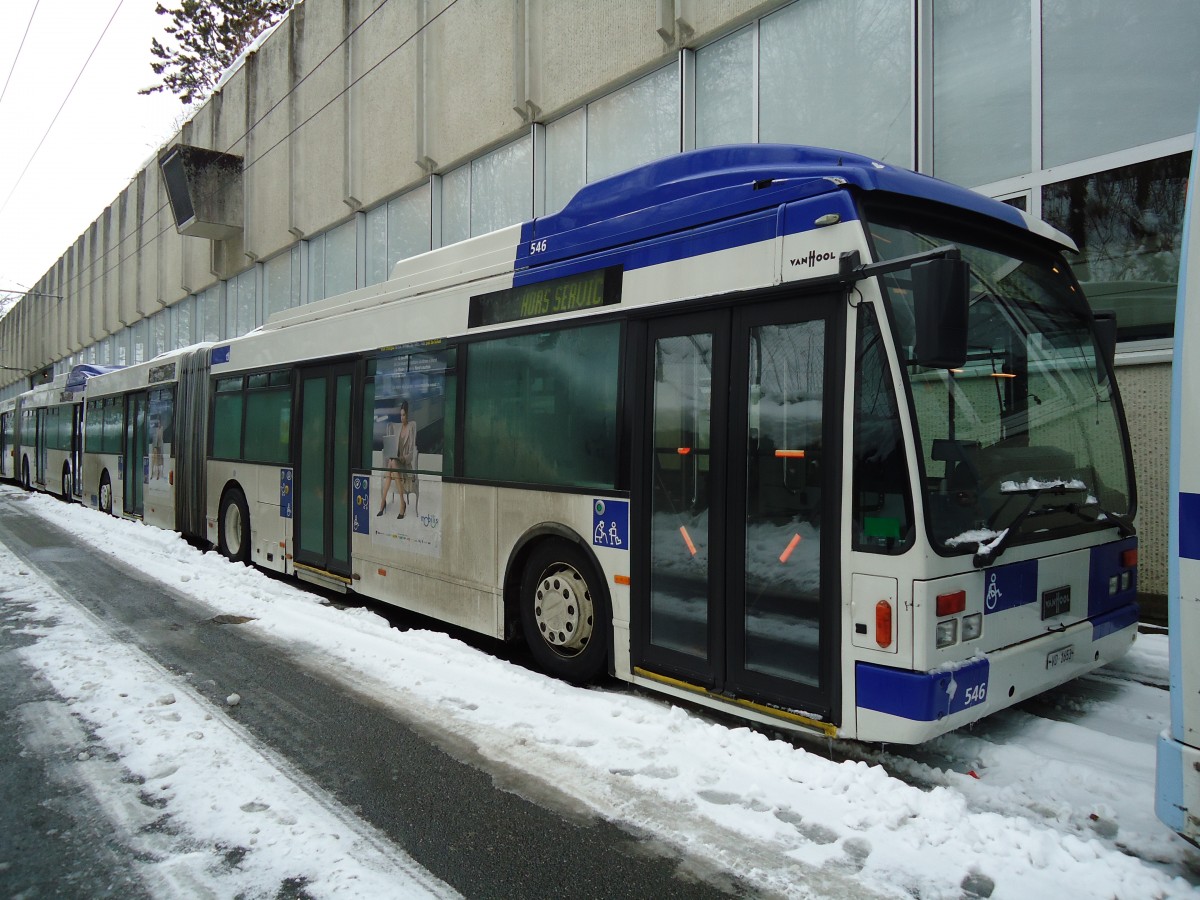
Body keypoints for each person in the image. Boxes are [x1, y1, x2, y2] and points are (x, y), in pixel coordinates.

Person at [376, 400, 418, 518]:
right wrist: (392, 454)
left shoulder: (410, 428)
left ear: (408, 415)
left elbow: (411, 453)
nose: (402, 418)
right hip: (396, 462)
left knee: (392, 465)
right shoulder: (398, 428)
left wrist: (402, 458)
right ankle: (399, 503)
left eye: (404, 415)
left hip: (405, 464)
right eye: (401, 415)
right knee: (391, 463)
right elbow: (394, 446)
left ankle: (385, 503)